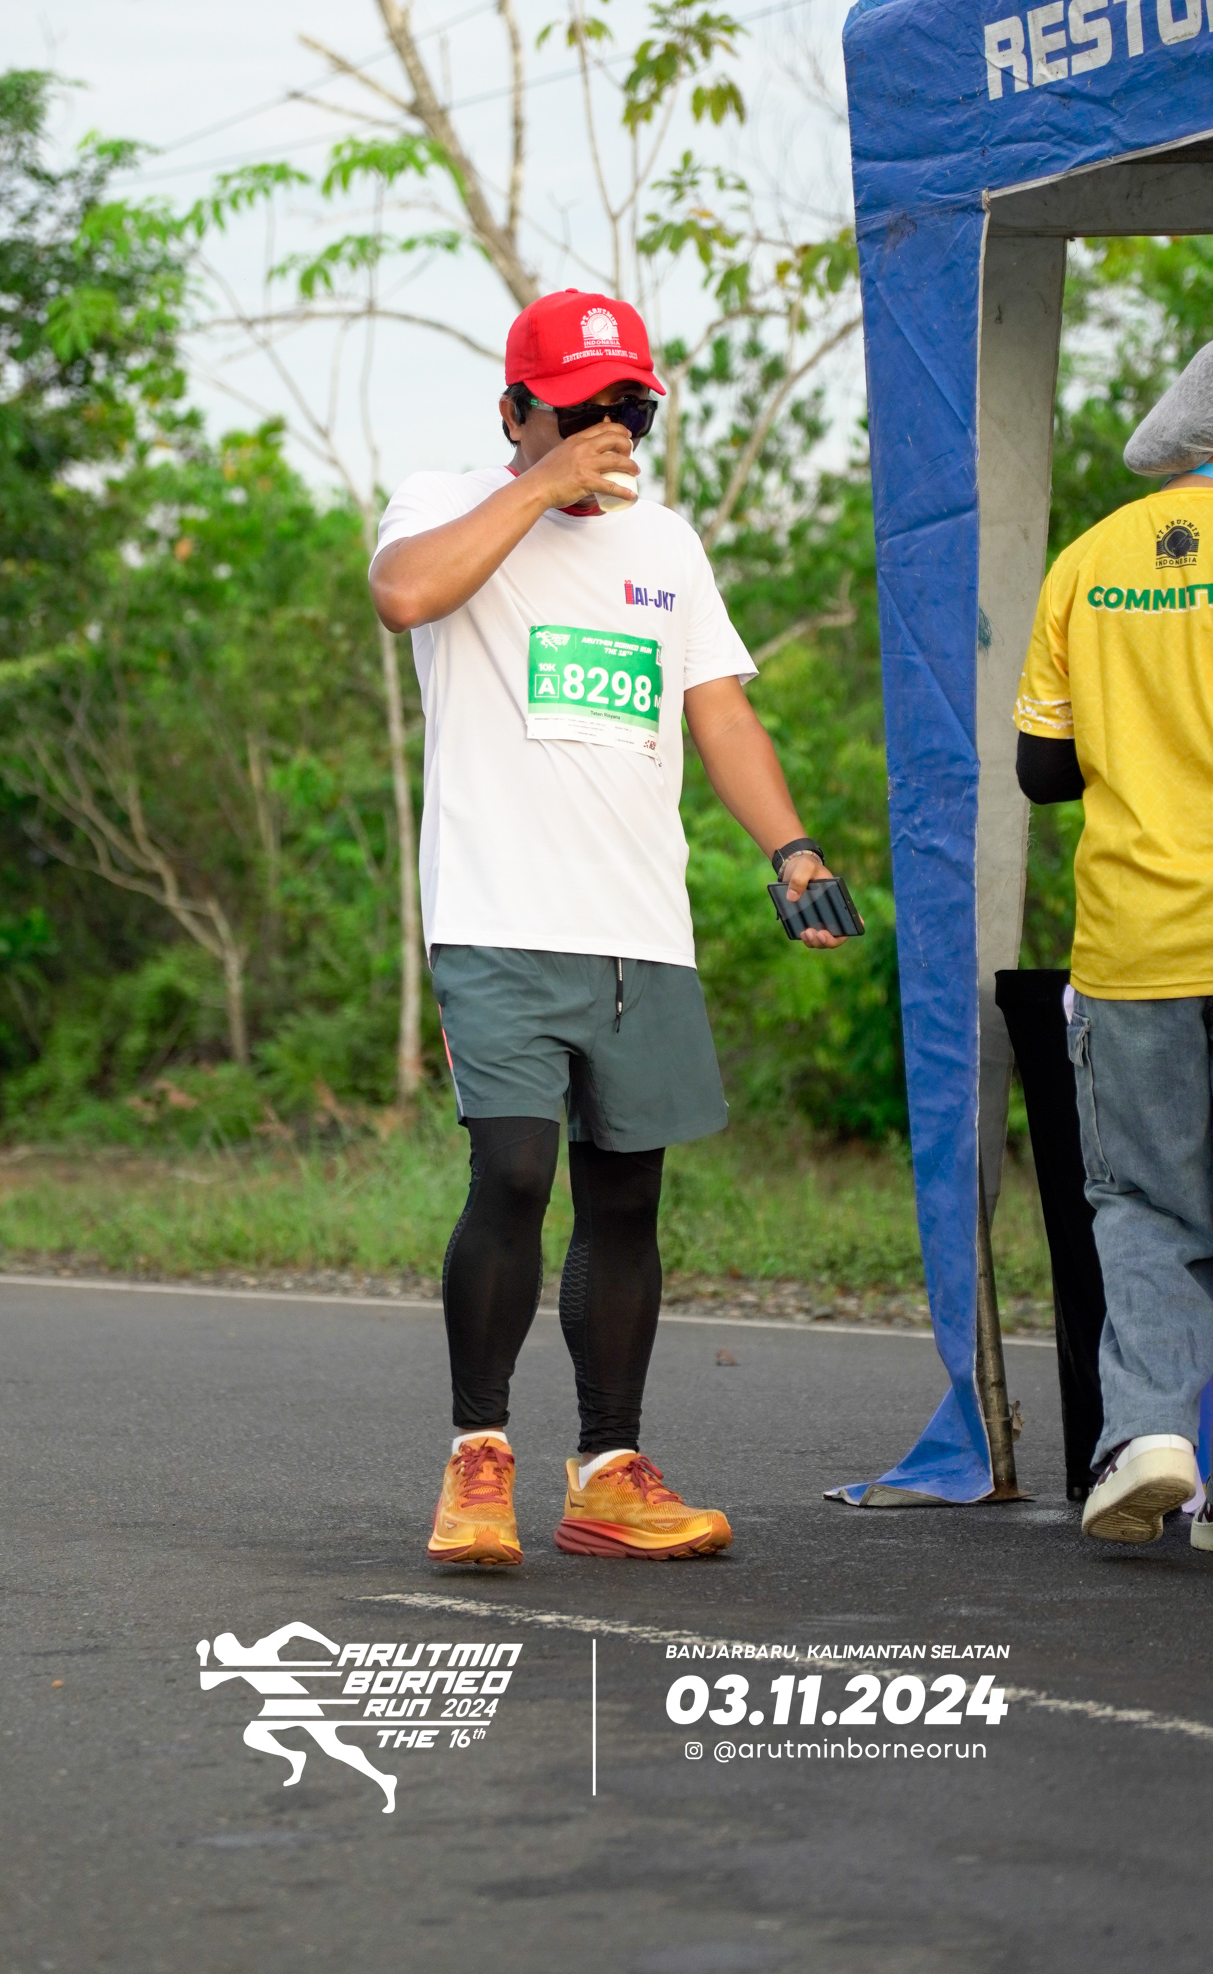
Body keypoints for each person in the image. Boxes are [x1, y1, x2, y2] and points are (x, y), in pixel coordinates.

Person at [369, 287, 844, 1566]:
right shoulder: (443, 503)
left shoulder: (667, 546)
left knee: (626, 1194)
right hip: (495, 913)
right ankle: (478, 1460)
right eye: (582, 409)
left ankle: (609, 1473)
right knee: (515, 1170)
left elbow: (719, 710)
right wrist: (544, 485)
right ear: (513, 412)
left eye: (629, 405)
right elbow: (404, 595)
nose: (611, 431)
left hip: (639, 924)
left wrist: (791, 851)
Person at [1013, 320, 1213, 1557]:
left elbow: (1041, 770)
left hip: (1134, 941)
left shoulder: (1086, 560)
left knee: (1147, 1203)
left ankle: (1150, 1428)